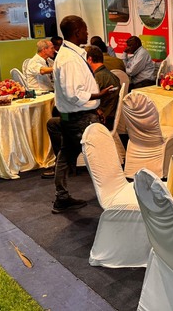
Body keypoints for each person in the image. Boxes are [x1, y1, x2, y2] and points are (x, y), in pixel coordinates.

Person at [51, 16, 113, 213]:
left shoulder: (69, 54)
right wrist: (98, 96)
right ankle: (112, 196)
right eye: (85, 30)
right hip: (80, 119)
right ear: (77, 31)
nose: (87, 33)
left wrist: (95, 106)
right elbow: (74, 94)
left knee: (65, 155)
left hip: (75, 116)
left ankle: (62, 197)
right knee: (100, 154)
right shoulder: (69, 59)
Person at [85, 45, 120, 130]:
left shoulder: (96, 78)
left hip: (100, 121)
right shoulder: (113, 76)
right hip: (111, 118)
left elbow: (88, 102)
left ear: (89, 59)